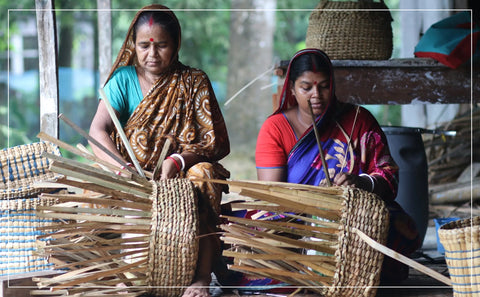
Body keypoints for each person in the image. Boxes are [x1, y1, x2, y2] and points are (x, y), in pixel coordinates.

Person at [89, 5, 230, 297]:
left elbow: (215, 142)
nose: (152, 54)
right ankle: (114, 275)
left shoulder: (194, 82)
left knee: (205, 175)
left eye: (162, 45)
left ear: (176, 44)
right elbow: (97, 131)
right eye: (144, 46)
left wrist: (178, 160)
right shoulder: (123, 79)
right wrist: (123, 169)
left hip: (178, 175)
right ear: (133, 45)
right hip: (132, 174)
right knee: (91, 191)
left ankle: (201, 277)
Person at [255, 48, 421, 283]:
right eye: (306, 87)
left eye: (324, 86)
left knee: (399, 224)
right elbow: (272, 196)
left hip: (355, 217)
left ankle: (356, 274)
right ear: (291, 88)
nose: (317, 95)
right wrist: (319, 201)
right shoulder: (275, 128)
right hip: (296, 219)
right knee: (258, 234)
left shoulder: (357, 120)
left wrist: (361, 182)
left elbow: (389, 177)